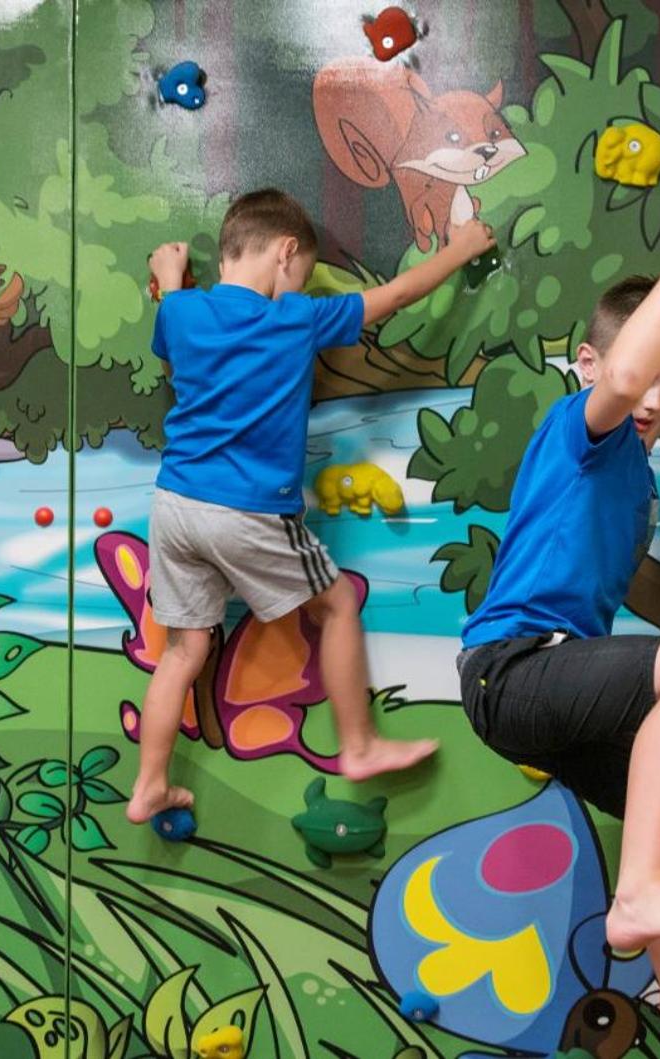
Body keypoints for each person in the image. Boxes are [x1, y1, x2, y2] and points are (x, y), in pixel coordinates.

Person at [457, 179, 660, 1054]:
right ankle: (639, 895)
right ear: (589, 366)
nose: (655, 399)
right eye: (642, 379)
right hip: (511, 668)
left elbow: (632, 588)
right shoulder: (581, 433)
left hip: (537, 680)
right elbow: (627, 377)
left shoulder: (635, 485)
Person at [130, 188, 495, 825]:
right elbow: (397, 297)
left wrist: (167, 276)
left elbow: (171, 325)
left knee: (185, 653)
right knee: (337, 605)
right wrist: (462, 248)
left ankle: (149, 785)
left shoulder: (182, 311)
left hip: (175, 505)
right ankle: (359, 744)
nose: (297, 285)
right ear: (286, 252)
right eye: (300, 273)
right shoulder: (294, 320)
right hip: (248, 511)